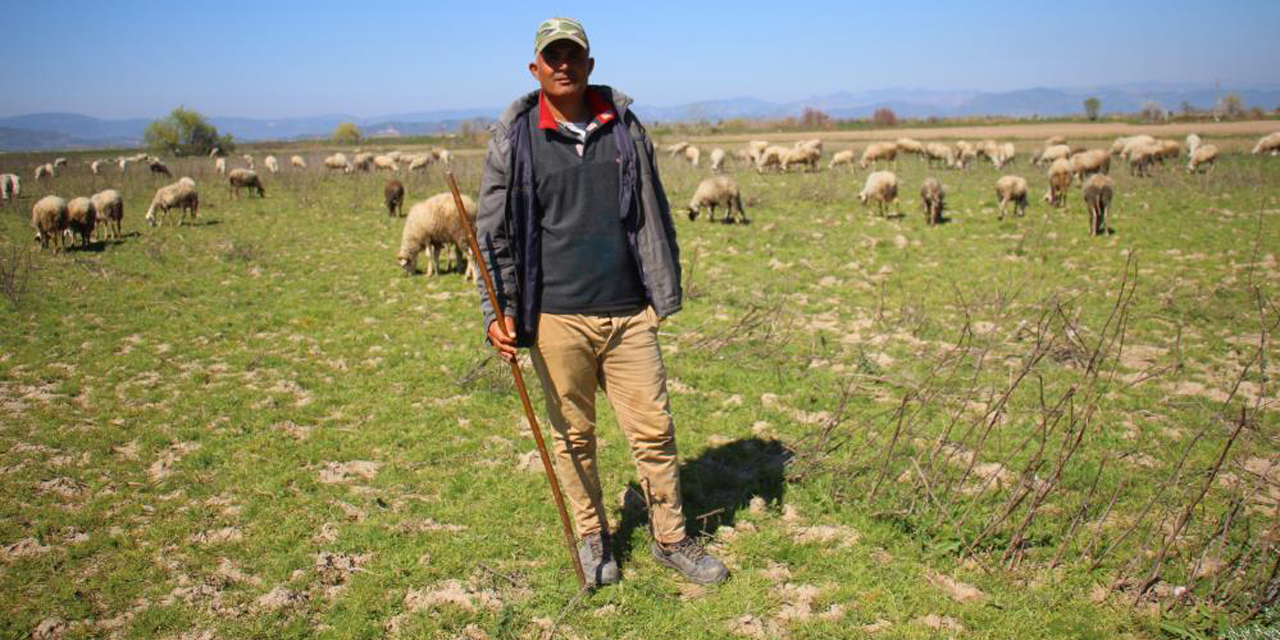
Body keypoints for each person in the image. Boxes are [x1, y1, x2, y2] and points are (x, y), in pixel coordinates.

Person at [473, 17, 728, 587]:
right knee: (572, 436)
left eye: (574, 55)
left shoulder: (624, 128)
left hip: (629, 311)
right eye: (552, 56)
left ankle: (671, 538)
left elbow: (653, 213)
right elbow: (492, 233)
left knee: (655, 430)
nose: (563, 64)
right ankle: (593, 535)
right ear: (535, 68)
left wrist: (660, 292)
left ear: (590, 64)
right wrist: (499, 310)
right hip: (556, 317)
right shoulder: (516, 137)